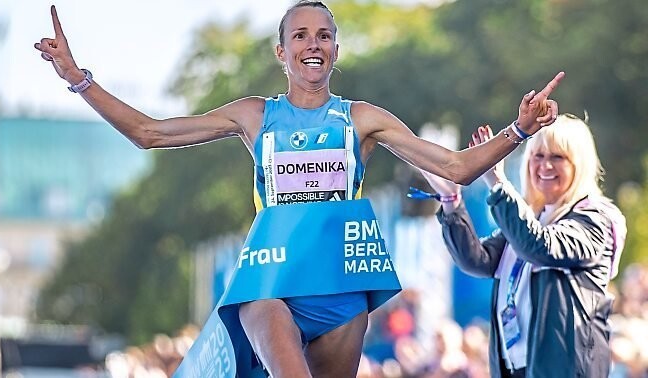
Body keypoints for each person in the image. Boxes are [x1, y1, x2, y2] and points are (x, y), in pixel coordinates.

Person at [35, 1, 564, 376]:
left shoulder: (361, 120)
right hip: (268, 278)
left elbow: (455, 167)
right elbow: (149, 134)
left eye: (324, 36)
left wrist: (519, 129)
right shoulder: (253, 116)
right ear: (281, 52)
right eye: (301, 36)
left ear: (335, 50)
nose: (313, 44)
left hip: (340, 282)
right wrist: (77, 78)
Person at [419, 114, 626, 377]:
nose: (545, 166)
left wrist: (497, 183)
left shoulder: (596, 218)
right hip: (516, 366)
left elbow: (539, 247)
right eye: (538, 156)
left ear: (579, 164)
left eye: (557, 157)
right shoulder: (532, 217)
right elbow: (477, 260)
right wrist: (450, 200)